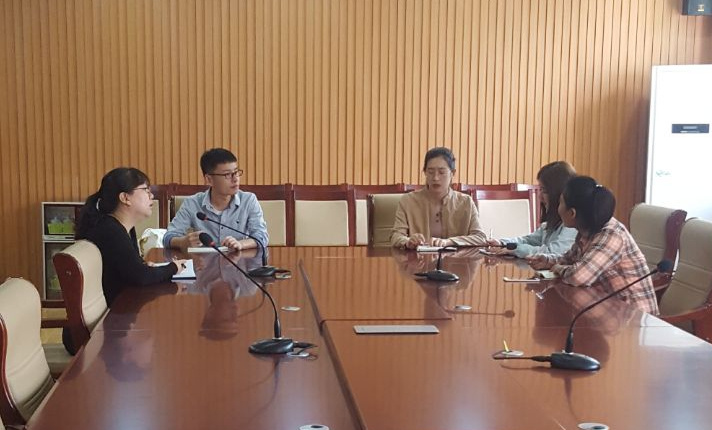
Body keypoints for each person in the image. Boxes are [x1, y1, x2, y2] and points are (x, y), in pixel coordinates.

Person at [528, 176, 658, 314]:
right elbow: (568, 259)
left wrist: (557, 268)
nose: (557, 208)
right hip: (609, 310)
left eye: (560, 203)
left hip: (634, 318)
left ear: (572, 213)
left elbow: (578, 277)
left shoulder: (612, 236)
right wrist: (546, 261)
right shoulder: (586, 229)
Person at [75, 167, 186, 307]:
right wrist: (173, 268)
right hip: (116, 313)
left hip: (123, 304)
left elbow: (134, 270)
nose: (151, 196)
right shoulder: (109, 231)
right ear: (125, 198)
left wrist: (144, 267)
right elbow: (141, 276)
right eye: (146, 190)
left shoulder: (123, 228)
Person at [163, 148, 269, 251]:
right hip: (204, 262)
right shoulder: (192, 204)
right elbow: (168, 237)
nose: (235, 179)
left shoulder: (248, 200)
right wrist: (182, 242)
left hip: (238, 261)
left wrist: (240, 244)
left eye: (236, 172)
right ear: (209, 179)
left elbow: (262, 237)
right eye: (227, 174)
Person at [391, 147, 487, 249]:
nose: (435, 178)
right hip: (418, 258)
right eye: (430, 172)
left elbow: (480, 237)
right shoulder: (408, 201)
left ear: (452, 173)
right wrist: (408, 241)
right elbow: (396, 236)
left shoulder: (466, 202)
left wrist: (449, 242)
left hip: (457, 258)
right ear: (425, 172)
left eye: (441, 172)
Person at [486, 161, 577, 258]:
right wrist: (502, 243)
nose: (539, 196)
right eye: (540, 189)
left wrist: (517, 249)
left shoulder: (571, 224)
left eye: (544, 190)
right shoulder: (552, 222)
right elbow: (529, 240)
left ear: (558, 193)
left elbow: (552, 252)